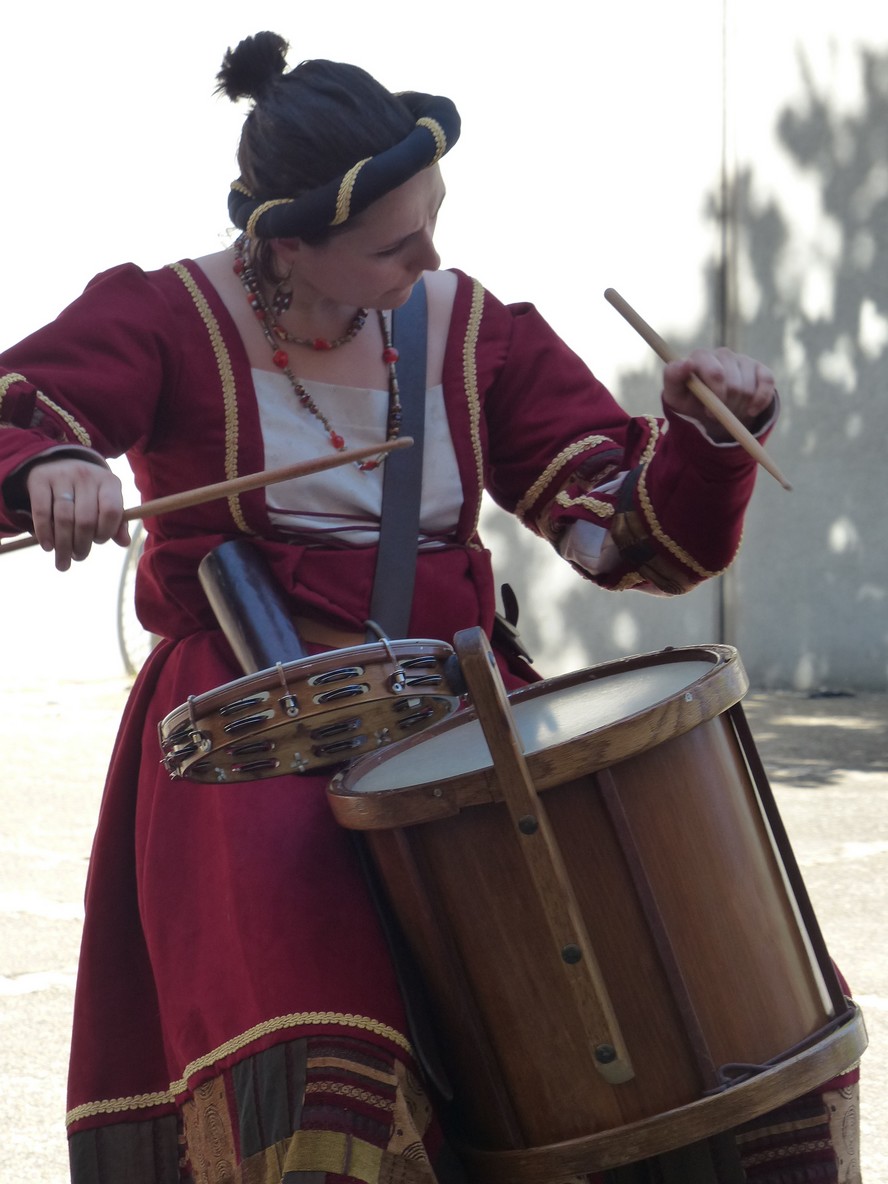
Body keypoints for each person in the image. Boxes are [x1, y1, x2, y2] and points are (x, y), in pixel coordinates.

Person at [0, 31, 859, 1184]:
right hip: (256, 720)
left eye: (436, 219)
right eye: (394, 244)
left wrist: (707, 439)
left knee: (672, 978)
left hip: (455, 701)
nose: (432, 256)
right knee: (324, 1024)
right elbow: (19, 408)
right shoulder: (168, 315)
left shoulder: (470, 330)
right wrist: (50, 464)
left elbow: (626, 543)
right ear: (286, 245)